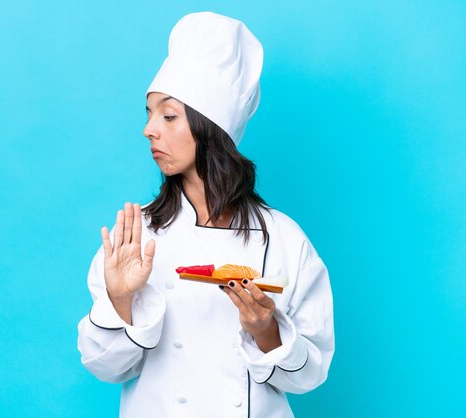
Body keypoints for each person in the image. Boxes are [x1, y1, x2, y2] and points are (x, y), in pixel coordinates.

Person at [77, 11, 335, 418]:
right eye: (147, 114)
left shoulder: (284, 239)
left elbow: (309, 375)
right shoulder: (137, 235)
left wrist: (267, 331)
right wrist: (120, 300)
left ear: (210, 126)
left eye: (167, 115)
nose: (149, 129)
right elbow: (105, 367)